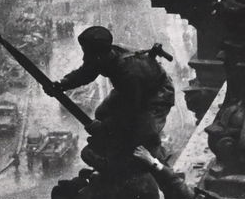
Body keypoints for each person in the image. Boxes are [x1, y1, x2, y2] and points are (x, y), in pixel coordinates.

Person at [52, 25, 177, 169]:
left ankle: (159, 164)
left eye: (87, 53)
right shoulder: (106, 55)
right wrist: (63, 83)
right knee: (102, 113)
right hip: (131, 90)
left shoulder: (129, 72)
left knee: (143, 132)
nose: (84, 57)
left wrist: (105, 127)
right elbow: (87, 72)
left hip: (156, 94)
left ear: (99, 55)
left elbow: (131, 111)